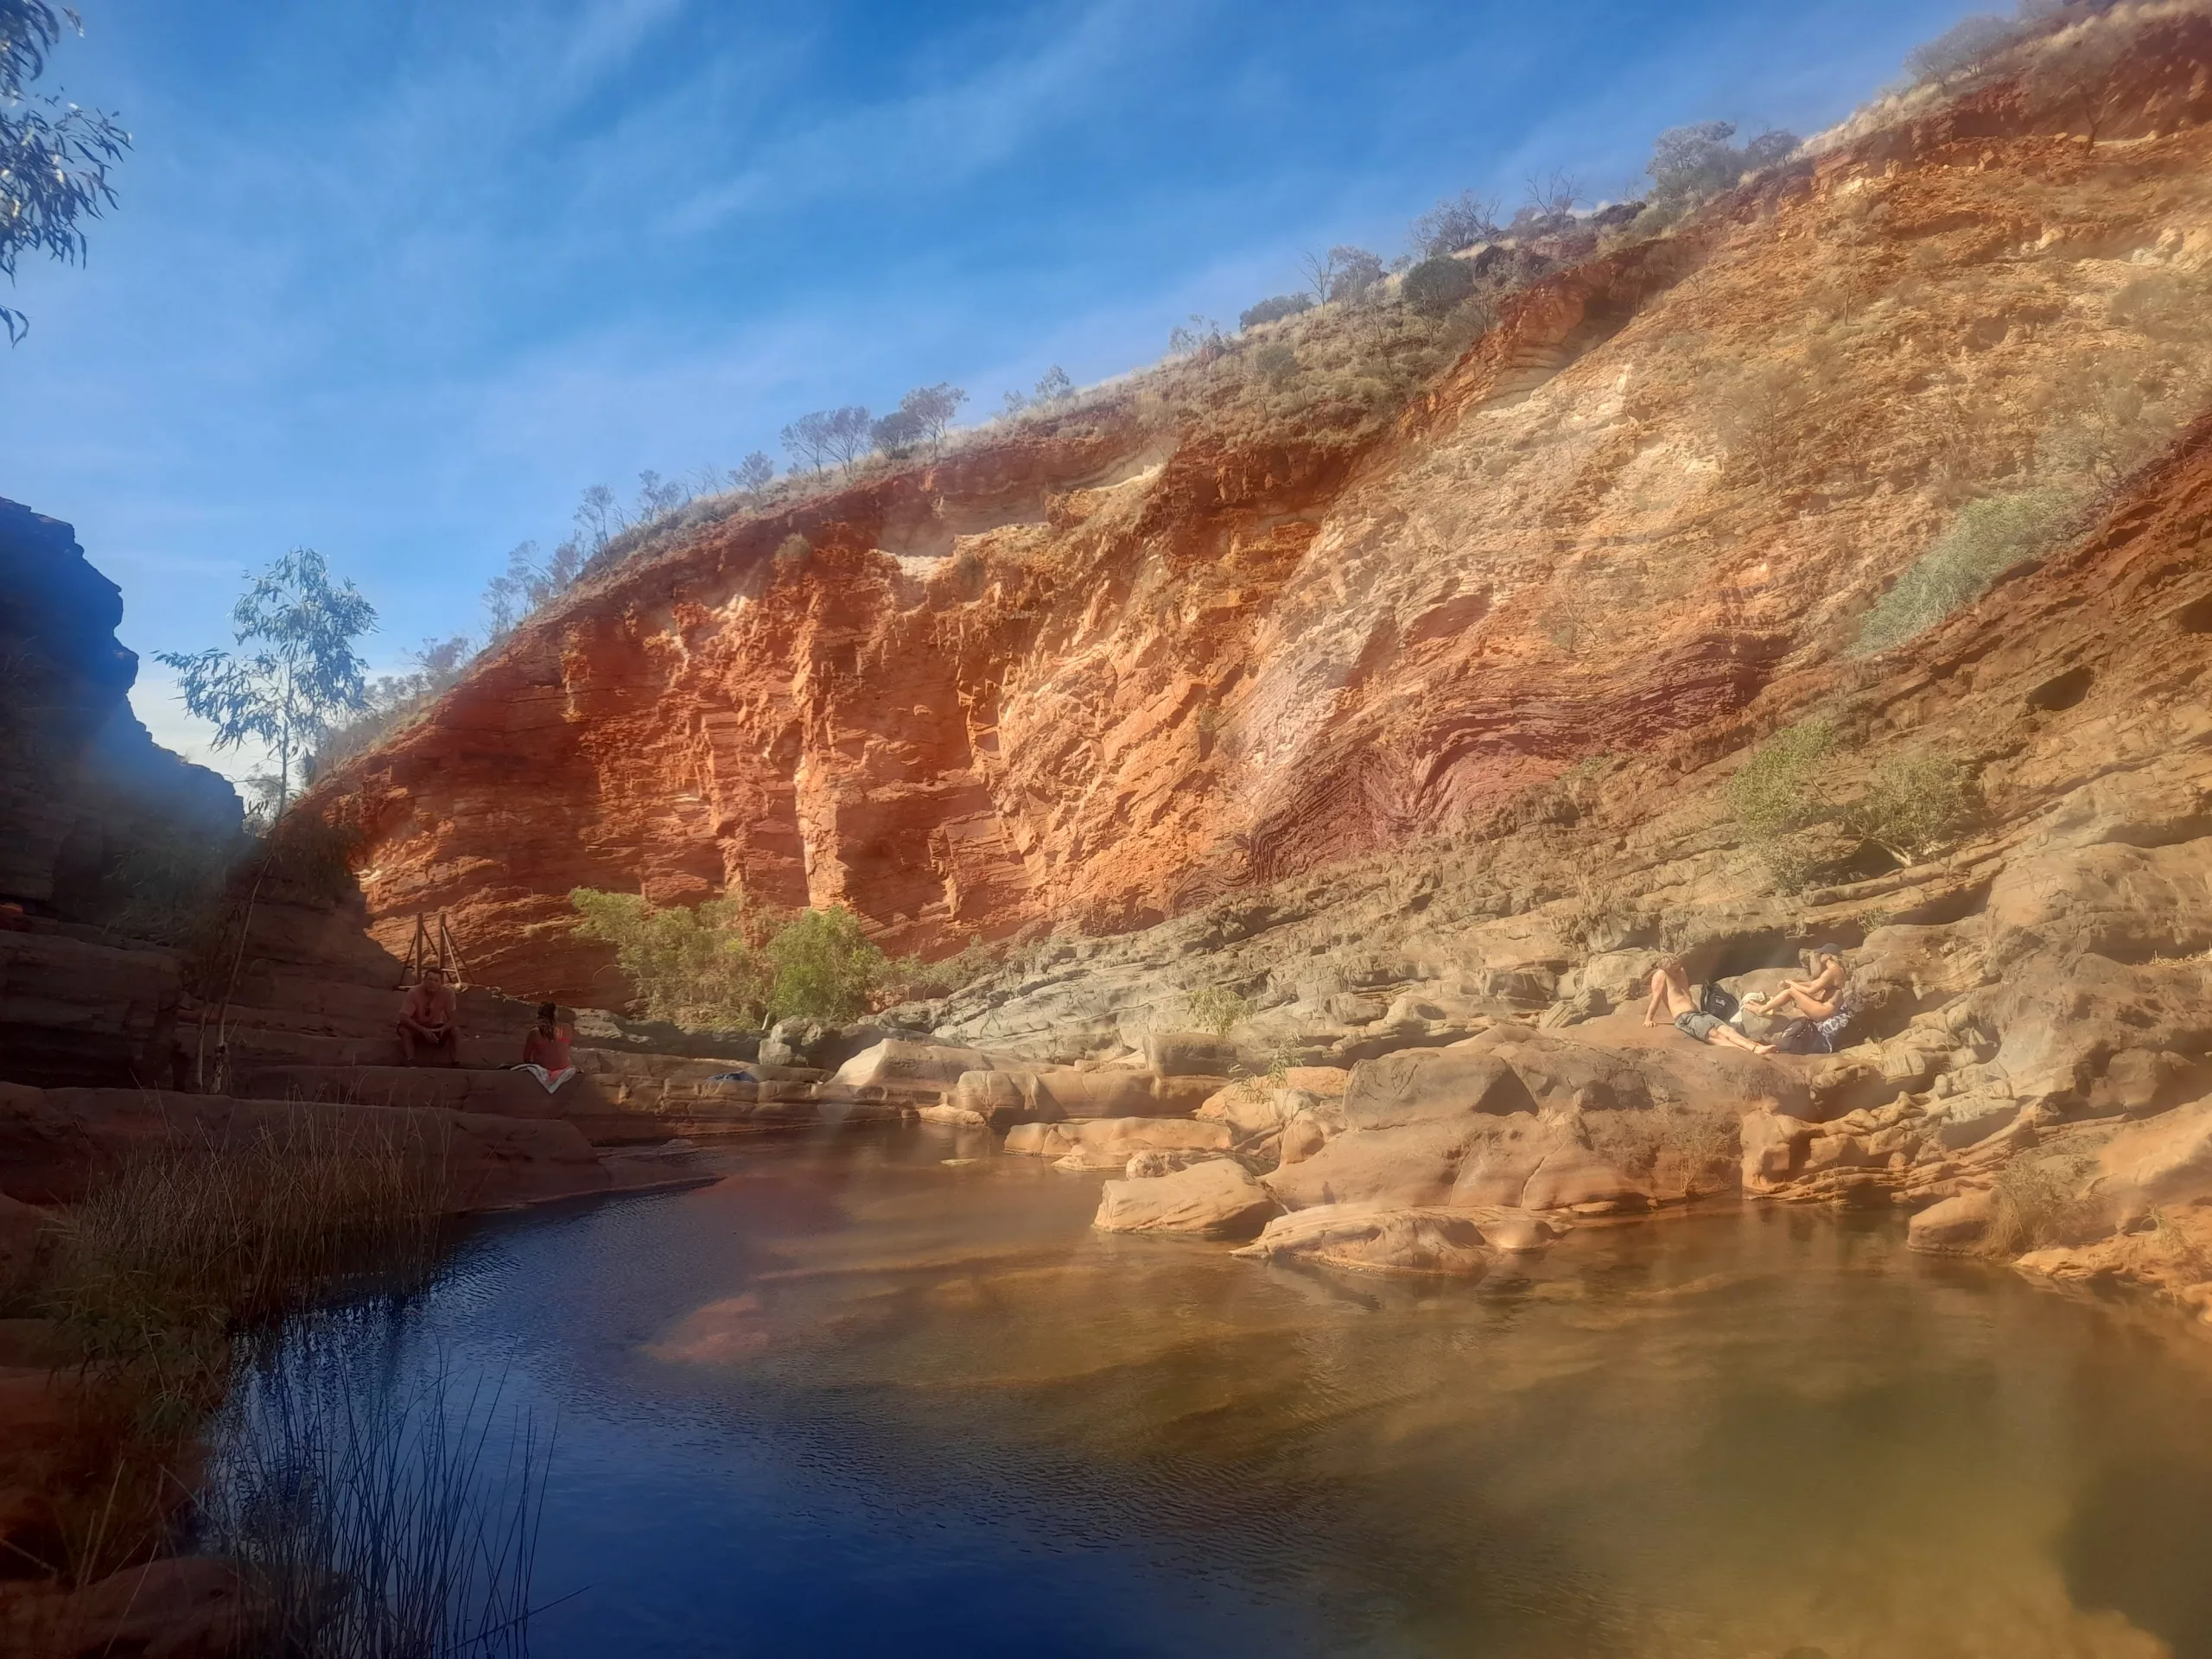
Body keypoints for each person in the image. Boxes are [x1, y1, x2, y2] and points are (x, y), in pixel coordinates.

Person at [1643, 956, 1776, 1055]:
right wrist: (1649, 1018)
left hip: (1698, 1013)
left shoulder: (1681, 972)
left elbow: (1687, 994)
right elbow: (1656, 997)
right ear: (1667, 970)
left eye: (1679, 967)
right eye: (1675, 969)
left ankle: (1756, 1048)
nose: (1679, 970)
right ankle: (1746, 1052)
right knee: (1714, 1035)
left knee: (1729, 1030)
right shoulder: (1661, 975)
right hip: (1684, 1017)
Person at [1749, 945, 1849, 1021]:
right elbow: (1812, 984)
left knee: (1790, 992)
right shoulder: (1837, 970)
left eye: (1822, 954)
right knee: (1793, 989)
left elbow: (1811, 991)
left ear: (1828, 956)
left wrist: (1790, 983)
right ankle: (1769, 1006)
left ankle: (1761, 1010)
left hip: (1824, 1012)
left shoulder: (1831, 972)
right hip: (1828, 1010)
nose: (1819, 956)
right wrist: (1792, 983)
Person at [396, 964, 459, 1065]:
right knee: (404, 1030)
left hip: (436, 1028)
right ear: (424, 981)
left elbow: (454, 1019)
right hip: (417, 1028)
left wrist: (443, 1029)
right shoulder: (414, 992)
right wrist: (423, 1030)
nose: (432, 983)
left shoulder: (448, 993)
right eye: (430, 979)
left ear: (441, 983)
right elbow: (403, 1016)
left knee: (455, 1030)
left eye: (436, 980)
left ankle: (455, 1061)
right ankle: (410, 1060)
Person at [516, 1002, 576, 1094]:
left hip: (544, 1068)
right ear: (555, 1014)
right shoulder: (567, 1028)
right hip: (563, 1067)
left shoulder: (535, 1033)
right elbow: (567, 1048)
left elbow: (526, 1057)